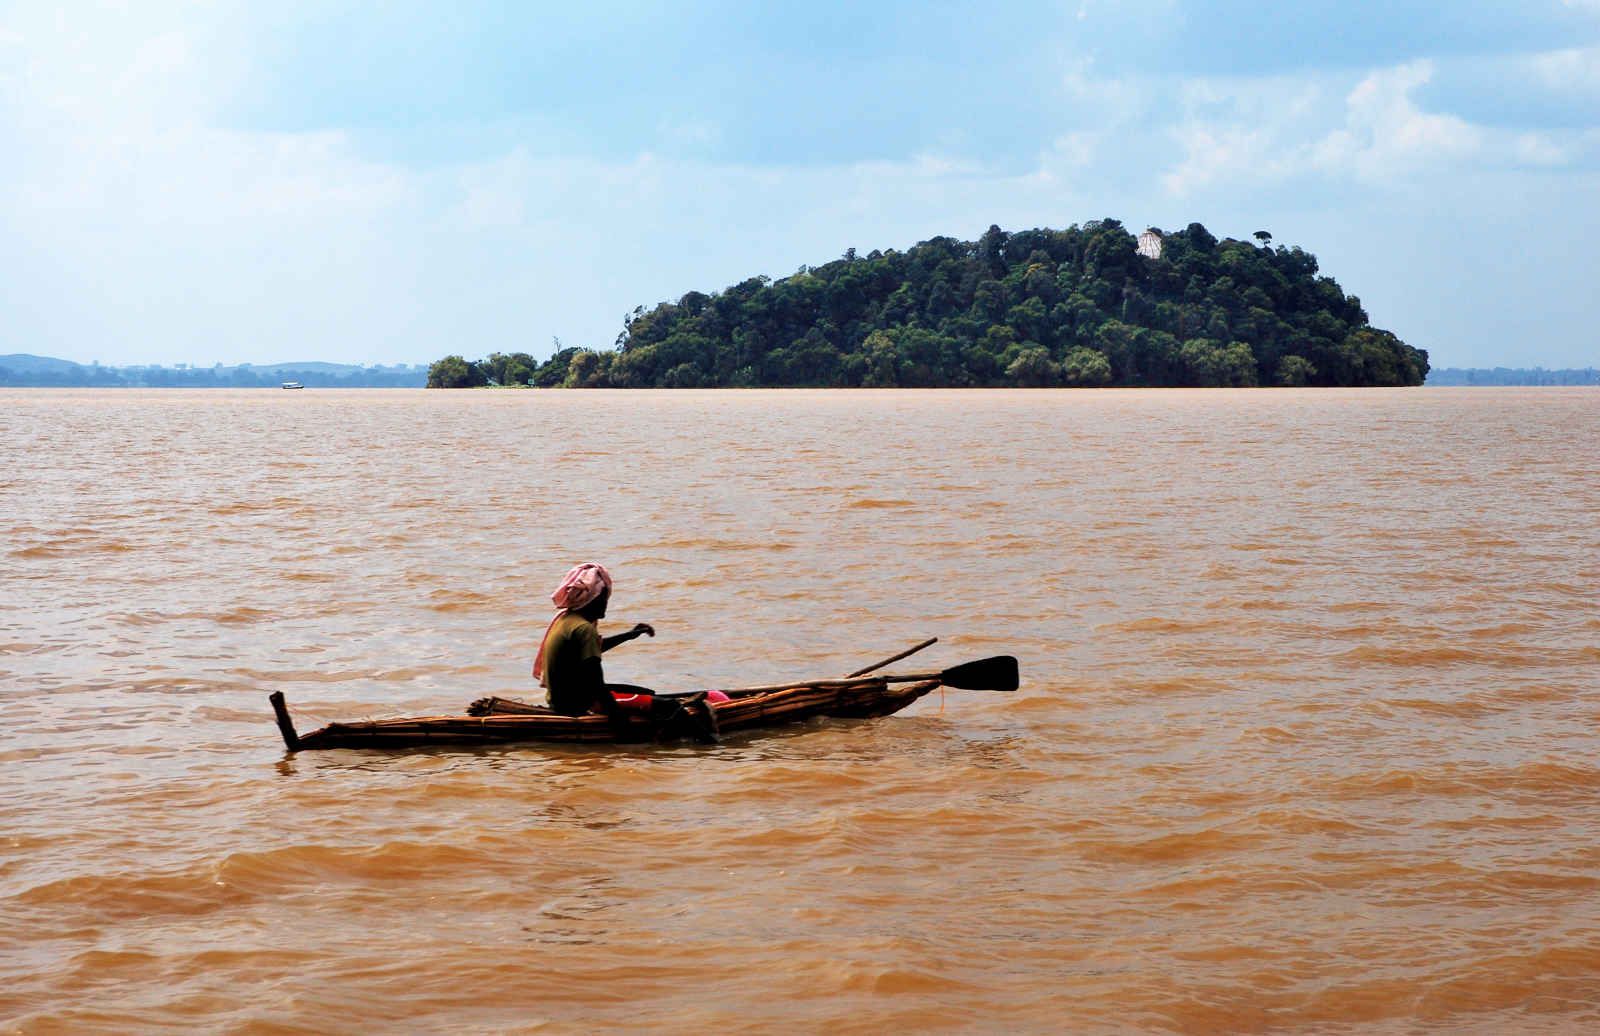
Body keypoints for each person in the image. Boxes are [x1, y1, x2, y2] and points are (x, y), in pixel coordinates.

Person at [532, 563, 721, 740]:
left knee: (644, 692)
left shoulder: (566, 621)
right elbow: (595, 681)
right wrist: (617, 717)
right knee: (670, 706)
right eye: (604, 598)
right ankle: (710, 745)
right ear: (593, 599)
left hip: (560, 699)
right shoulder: (584, 629)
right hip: (578, 704)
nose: (606, 604)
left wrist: (629, 635)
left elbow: (589, 651)